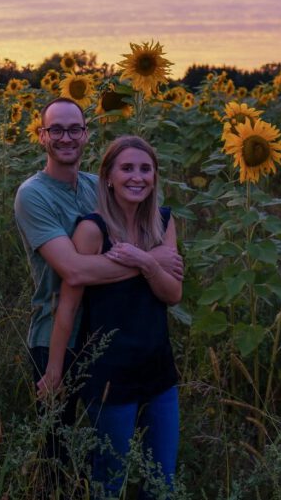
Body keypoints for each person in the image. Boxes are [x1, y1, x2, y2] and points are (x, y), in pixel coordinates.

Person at [14, 100, 183, 473]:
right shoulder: (33, 194)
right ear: (41, 136)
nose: (66, 137)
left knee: (105, 451)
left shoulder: (98, 187)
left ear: (86, 134)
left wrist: (147, 261)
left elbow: (142, 233)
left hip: (104, 334)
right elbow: (74, 272)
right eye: (56, 129)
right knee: (57, 455)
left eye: (74, 129)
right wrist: (150, 261)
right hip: (55, 336)